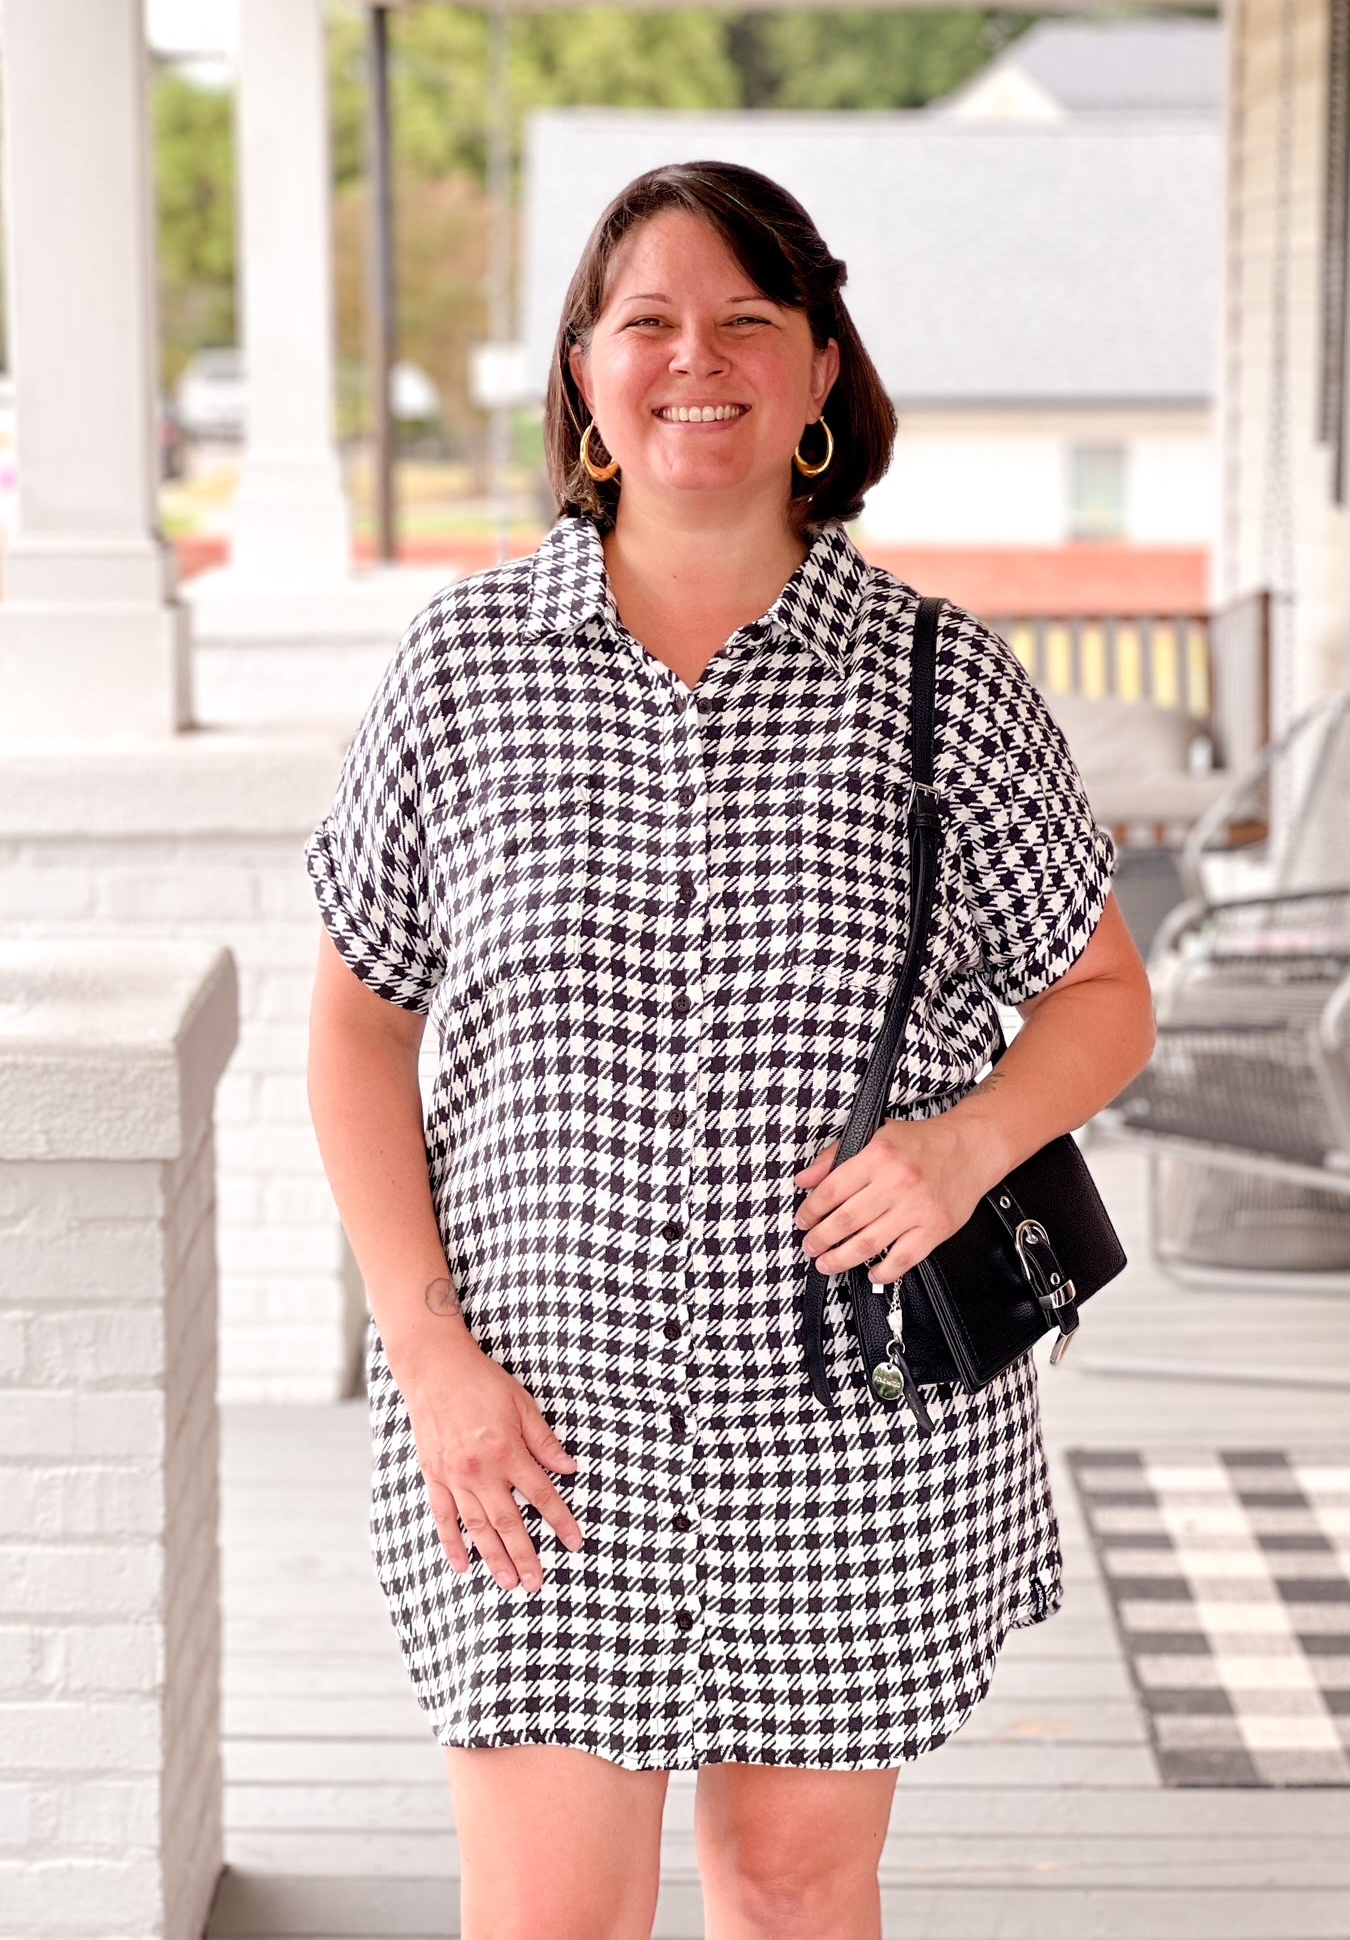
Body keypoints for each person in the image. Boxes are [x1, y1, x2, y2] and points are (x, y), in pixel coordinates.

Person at [304, 160, 1156, 1940]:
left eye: (748, 320)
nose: (699, 359)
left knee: (788, 1889)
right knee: (549, 1919)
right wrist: (428, 1357)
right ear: (585, 375)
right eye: (648, 323)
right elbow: (357, 1017)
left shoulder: (935, 680)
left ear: (822, 369)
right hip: (531, 1424)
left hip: (848, 1420)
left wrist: (957, 1145)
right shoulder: (464, 669)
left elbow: (1100, 998)